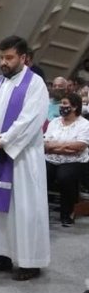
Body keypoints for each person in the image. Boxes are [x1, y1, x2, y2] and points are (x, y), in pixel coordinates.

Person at [0, 35, 49, 281]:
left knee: (23, 208)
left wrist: (4, 142)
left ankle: (29, 261)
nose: (3, 63)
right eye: (1, 57)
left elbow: (30, 120)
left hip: (21, 158)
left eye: (9, 58)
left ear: (23, 57)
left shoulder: (35, 83)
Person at [44, 93, 89, 227]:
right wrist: (64, 147)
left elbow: (79, 146)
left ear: (74, 107)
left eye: (64, 104)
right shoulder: (54, 122)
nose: (61, 107)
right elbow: (45, 143)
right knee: (39, 174)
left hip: (75, 161)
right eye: (61, 104)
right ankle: (40, 212)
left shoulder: (84, 124)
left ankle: (67, 213)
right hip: (51, 158)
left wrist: (55, 146)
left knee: (64, 176)